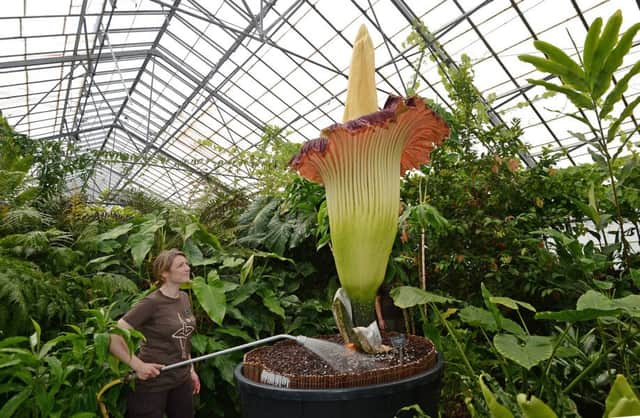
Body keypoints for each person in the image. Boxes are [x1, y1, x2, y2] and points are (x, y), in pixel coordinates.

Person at [109, 248, 200, 418]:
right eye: (180, 265)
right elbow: (114, 337)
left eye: (186, 264)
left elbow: (184, 339)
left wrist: (191, 370)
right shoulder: (151, 303)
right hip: (153, 383)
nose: (187, 268)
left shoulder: (184, 298)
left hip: (181, 379)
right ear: (164, 273)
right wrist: (138, 366)